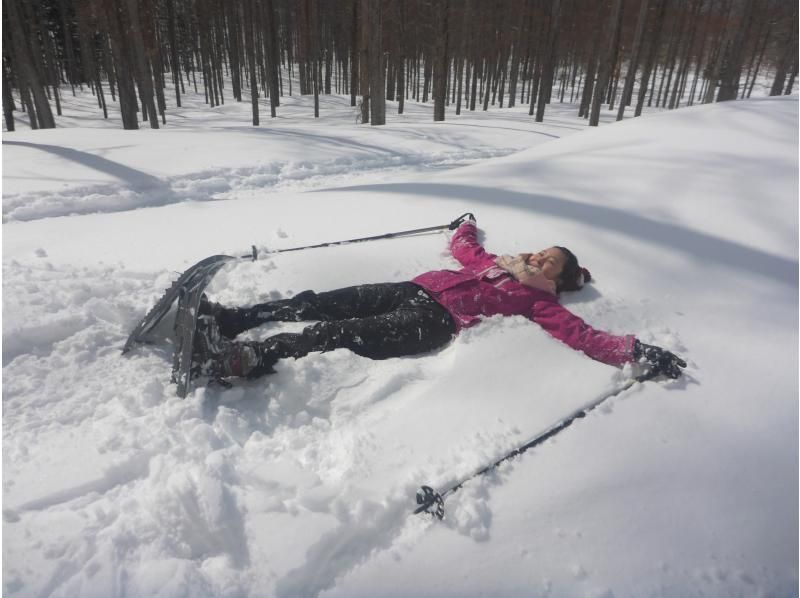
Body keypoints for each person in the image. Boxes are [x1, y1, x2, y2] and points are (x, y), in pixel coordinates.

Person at [192, 214, 686, 382]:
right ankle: (235, 318)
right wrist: (464, 225)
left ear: (559, 279)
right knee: (323, 300)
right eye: (540, 251)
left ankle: (247, 358)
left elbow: (585, 336)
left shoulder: (541, 303)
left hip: (435, 323)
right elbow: (465, 248)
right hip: (415, 289)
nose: (537, 258)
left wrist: (634, 351)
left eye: (549, 262)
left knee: (333, 333)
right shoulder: (498, 265)